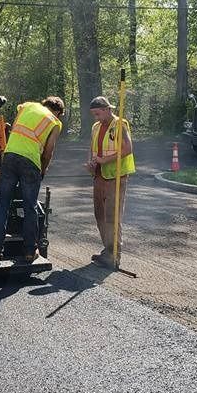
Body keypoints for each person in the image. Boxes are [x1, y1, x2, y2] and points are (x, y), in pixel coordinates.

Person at [0, 96, 64, 262]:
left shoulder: (27, 106)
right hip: (31, 162)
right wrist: (43, 169)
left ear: (44, 104)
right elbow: (49, 151)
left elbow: (16, 125)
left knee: (3, 204)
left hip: (10, 156)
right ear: (58, 112)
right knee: (30, 207)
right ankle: (29, 251)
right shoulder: (55, 122)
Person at [86, 95, 135, 267]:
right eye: (94, 115)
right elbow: (92, 148)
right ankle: (107, 250)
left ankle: (114, 254)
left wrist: (105, 160)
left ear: (108, 109)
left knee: (112, 216)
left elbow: (127, 149)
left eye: (98, 114)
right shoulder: (95, 127)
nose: (96, 118)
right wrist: (91, 163)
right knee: (99, 214)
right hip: (99, 175)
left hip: (116, 176)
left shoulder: (119, 124)